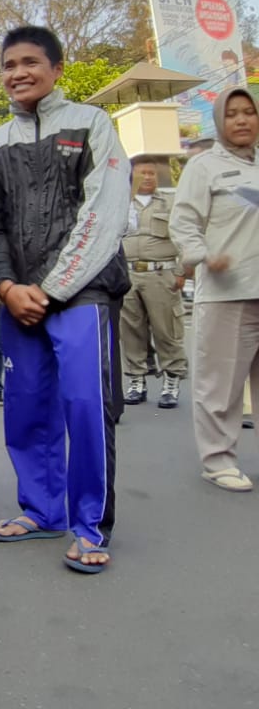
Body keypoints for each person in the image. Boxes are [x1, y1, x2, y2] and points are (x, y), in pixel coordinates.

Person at [0, 25, 128, 576]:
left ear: (57, 68)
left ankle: (90, 525)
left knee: (87, 408)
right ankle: (41, 510)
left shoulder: (93, 125)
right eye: (9, 64)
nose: (19, 73)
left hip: (83, 293)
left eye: (30, 62)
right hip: (18, 299)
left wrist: (51, 287)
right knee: (26, 409)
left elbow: (103, 214)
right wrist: (6, 287)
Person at [170, 87, 259, 493]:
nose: (242, 121)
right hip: (228, 292)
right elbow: (183, 221)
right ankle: (218, 460)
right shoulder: (204, 167)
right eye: (232, 114)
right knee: (219, 383)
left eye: (249, 112)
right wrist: (204, 255)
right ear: (220, 122)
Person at [121, 156, 188, 409]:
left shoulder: (169, 203)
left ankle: (171, 382)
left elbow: (184, 235)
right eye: (142, 173)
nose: (147, 177)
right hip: (127, 275)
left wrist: (181, 271)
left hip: (161, 274)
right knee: (131, 332)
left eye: (151, 173)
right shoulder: (121, 203)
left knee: (166, 330)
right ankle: (137, 382)